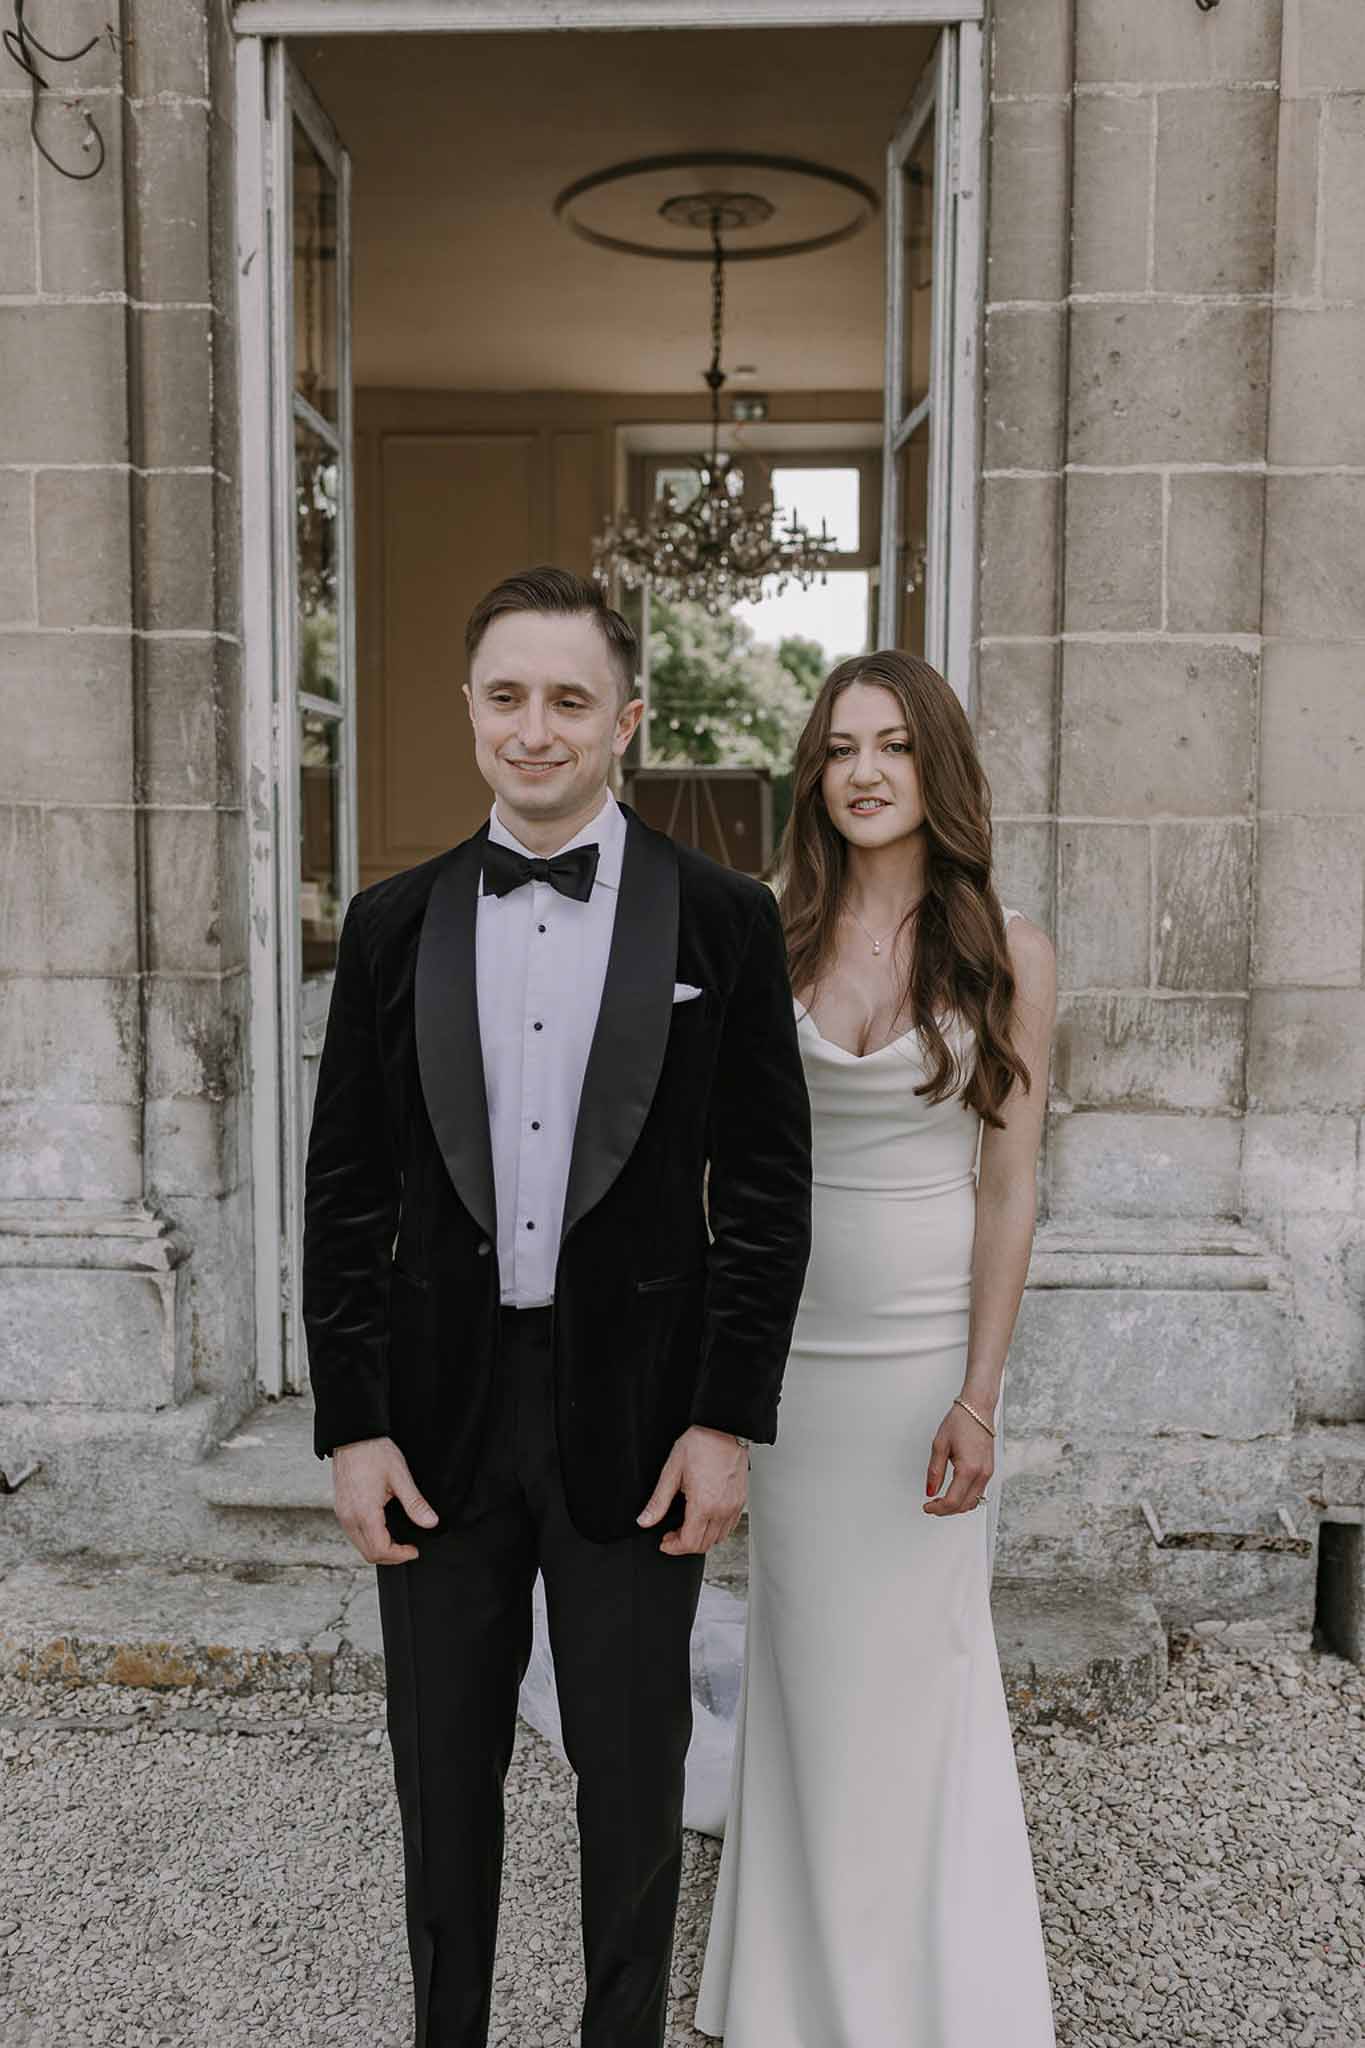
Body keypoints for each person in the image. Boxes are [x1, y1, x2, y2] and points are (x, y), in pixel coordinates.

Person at [301, 566, 812, 2048]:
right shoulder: (390, 923)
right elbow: (347, 1193)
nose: (536, 730)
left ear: (626, 720)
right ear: (470, 711)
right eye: (508, 698)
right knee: (440, 1767)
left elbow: (765, 1197)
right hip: (437, 1415)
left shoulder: (721, 920)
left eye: (569, 701)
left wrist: (725, 1419)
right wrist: (352, 1426)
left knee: (632, 1776)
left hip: (641, 1417)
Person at [696, 650, 1058, 2047]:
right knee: (805, 1661)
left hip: (918, 1364)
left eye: (894, 746)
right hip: (789, 1356)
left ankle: (940, 1990)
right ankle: (791, 1990)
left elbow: (1008, 1184)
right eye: (839, 746)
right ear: (812, 772)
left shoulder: (1006, 950)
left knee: (922, 1667)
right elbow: (718, 1166)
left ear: (936, 771)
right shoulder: (758, 934)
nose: (862, 770)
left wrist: (978, 1393)